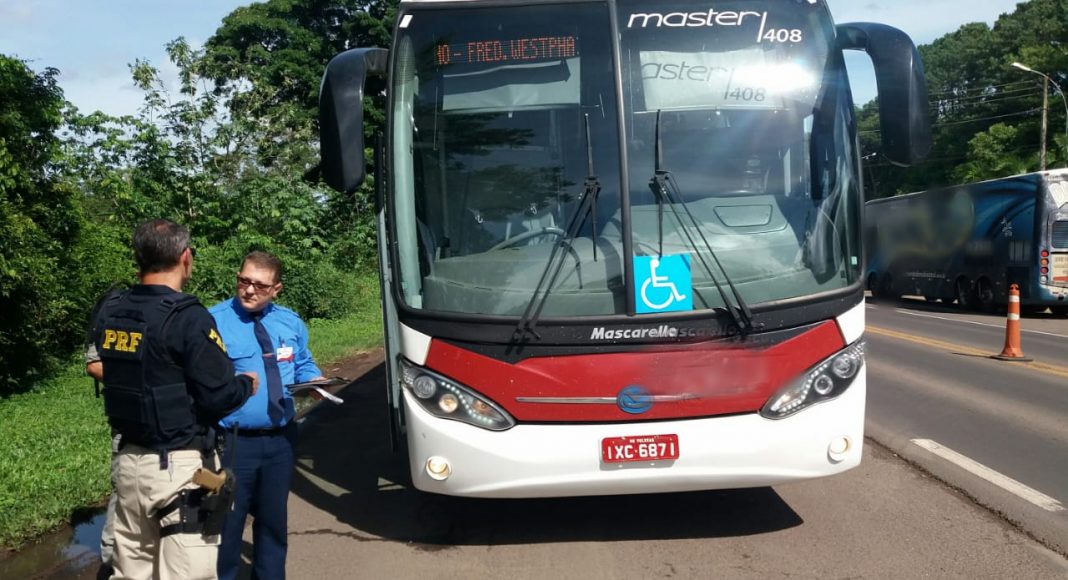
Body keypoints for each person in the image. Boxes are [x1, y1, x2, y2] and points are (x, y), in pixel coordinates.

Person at [92, 218, 258, 580]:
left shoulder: (113, 310)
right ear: (185, 257)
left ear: (139, 257)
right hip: (178, 467)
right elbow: (219, 395)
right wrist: (246, 384)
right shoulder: (188, 316)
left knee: (131, 572)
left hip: (129, 464)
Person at [210, 251, 324, 580]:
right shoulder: (212, 321)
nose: (249, 290)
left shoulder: (289, 322)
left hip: (280, 440)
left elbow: (303, 363)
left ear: (276, 289)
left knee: (273, 523)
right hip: (233, 442)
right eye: (243, 281)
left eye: (260, 285)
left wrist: (314, 381)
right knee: (227, 526)